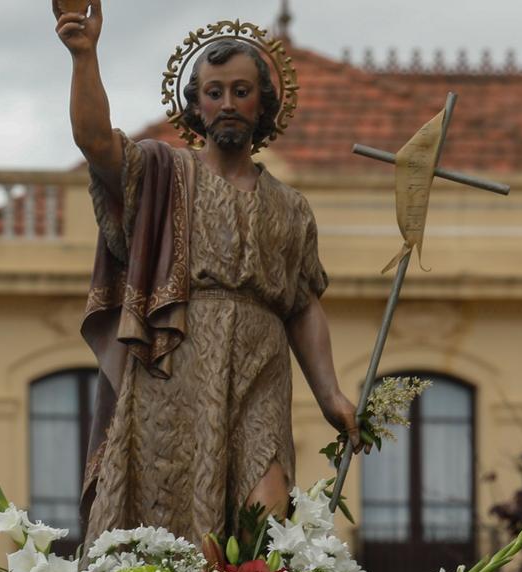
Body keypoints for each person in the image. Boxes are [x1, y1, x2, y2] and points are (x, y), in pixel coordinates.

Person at [58, 5, 356, 539]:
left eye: (241, 91)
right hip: (177, 363)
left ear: (263, 101)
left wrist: (330, 393)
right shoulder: (160, 171)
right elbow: (96, 142)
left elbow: (303, 303)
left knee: (263, 517)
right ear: (195, 103)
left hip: (262, 367)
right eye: (214, 92)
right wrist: (85, 57)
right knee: (170, 519)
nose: (227, 104)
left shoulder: (292, 208)